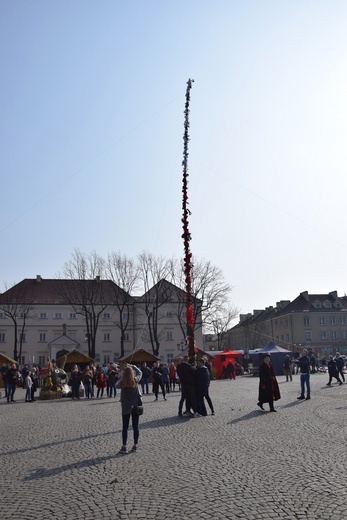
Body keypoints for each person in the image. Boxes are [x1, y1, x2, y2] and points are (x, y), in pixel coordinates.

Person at [116, 363, 142, 454]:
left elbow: (116, 385)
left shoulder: (122, 383)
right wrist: (133, 366)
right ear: (132, 373)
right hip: (135, 406)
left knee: (125, 427)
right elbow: (140, 373)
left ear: (124, 374)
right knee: (135, 426)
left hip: (125, 407)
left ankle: (124, 446)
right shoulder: (135, 380)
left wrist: (121, 375)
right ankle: (135, 445)